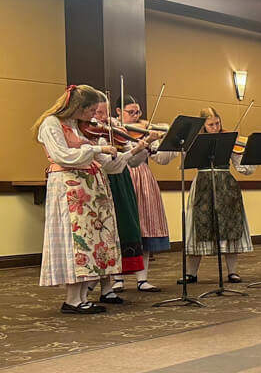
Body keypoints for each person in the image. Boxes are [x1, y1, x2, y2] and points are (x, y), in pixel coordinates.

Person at [34, 84, 126, 314]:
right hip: (68, 186)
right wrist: (95, 151)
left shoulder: (77, 125)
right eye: (91, 110)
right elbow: (62, 155)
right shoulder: (51, 124)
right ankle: (72, 299)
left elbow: (97, 157)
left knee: (90, 241)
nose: (93, 116)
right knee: (75, 240)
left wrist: (109, 152)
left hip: (87, 186)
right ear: (78, 106)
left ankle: (81, 296)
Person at [182, 107, 254, 284]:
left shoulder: (229, 139)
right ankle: (191, 273)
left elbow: (243, 168)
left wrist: (248, 154)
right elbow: (186, 161)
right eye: (210, 125)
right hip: (202, 184)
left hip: (225, 185)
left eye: (217, 123)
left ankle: (232, 272)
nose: (215, 127)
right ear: (203, 126)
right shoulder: (195, 140)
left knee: (229, 226)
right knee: (197, 227)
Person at [91, 100, 155, 295]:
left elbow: (133, 162)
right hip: (100, 181)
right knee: (107, 232)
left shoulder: (115, 131)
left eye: (105, 113)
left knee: (128, 227)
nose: (102, 118)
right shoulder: (90, 134)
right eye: (98, 113)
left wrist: (143, 146)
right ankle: (109, 282)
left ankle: (126, 279)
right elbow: (105, 162)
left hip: (122, 179)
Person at [122, 96, 175, 290]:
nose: (136, 116)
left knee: (145, 225)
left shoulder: (145, 129)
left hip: (143, 176)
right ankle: (117, 279)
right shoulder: (116, 129)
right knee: (124, 228)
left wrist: (162, 136)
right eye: (131, 112)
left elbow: (161, 158)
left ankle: (142, 278)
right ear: (118, 112)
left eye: (138, 112)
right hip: (122, 174)